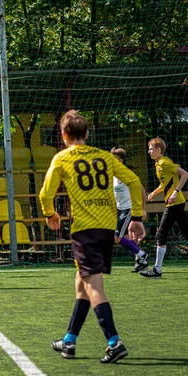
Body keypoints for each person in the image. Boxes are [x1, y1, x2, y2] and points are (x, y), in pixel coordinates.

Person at [40, 110, 145, 363]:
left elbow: (45, 194)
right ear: (87, 134)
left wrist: (50, 214)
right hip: (107, 228)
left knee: (94, 286)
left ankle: (114, 342)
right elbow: (133, 181)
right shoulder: (105, 157)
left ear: (64, 135)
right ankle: (69, 341)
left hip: (85, 230)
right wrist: (137, 218)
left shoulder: (62, 158)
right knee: (82, 283)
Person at [139, 137, 188, 278]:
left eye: (151, 149)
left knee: (161, 234)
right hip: (174, 203)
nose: (148, 151)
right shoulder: (158, 164)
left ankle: (157, 270)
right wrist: (155, 192)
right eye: (149, 149)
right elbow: (165, 182)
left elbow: (184, 174)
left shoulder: (165, 162)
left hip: (174, 203)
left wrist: (176, 191)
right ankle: (157, 269)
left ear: (159, 150)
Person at [109, 147, 149, 272]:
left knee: (116, 237)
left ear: (120, 160)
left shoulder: (127, 174)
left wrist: (142, 209)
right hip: (121, 210)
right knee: (127, 238)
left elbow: (142, 190)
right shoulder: (114, 175)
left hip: (129, 209)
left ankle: (142, 255)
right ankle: (141, 261)